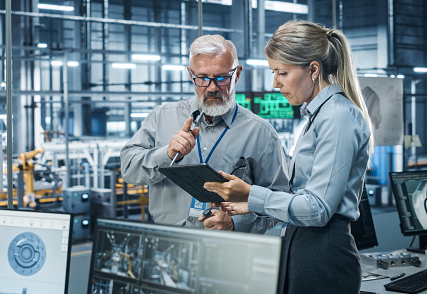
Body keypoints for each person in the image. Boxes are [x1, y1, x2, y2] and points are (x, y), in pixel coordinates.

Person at [204, 20, 374, 294]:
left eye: (282, 72)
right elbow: (305, 197)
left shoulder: (338, 116)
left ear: (314, 70)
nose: (275, 83)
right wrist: (250, 204)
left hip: (324, 252)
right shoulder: (318, 117)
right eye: (273, 72)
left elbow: (318, 209)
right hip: (304, 245)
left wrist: (251, 194)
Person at [120, 34, 289, 232]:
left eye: (222, 78)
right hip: (170, 243)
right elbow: (128, 168)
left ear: (237, 74)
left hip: (228, 247)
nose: (212, 87)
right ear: (191, 75)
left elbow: (280, 201)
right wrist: (165, 155)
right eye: (202, 78)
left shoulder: (261, 133)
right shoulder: (161, 117)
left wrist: (236, 223)